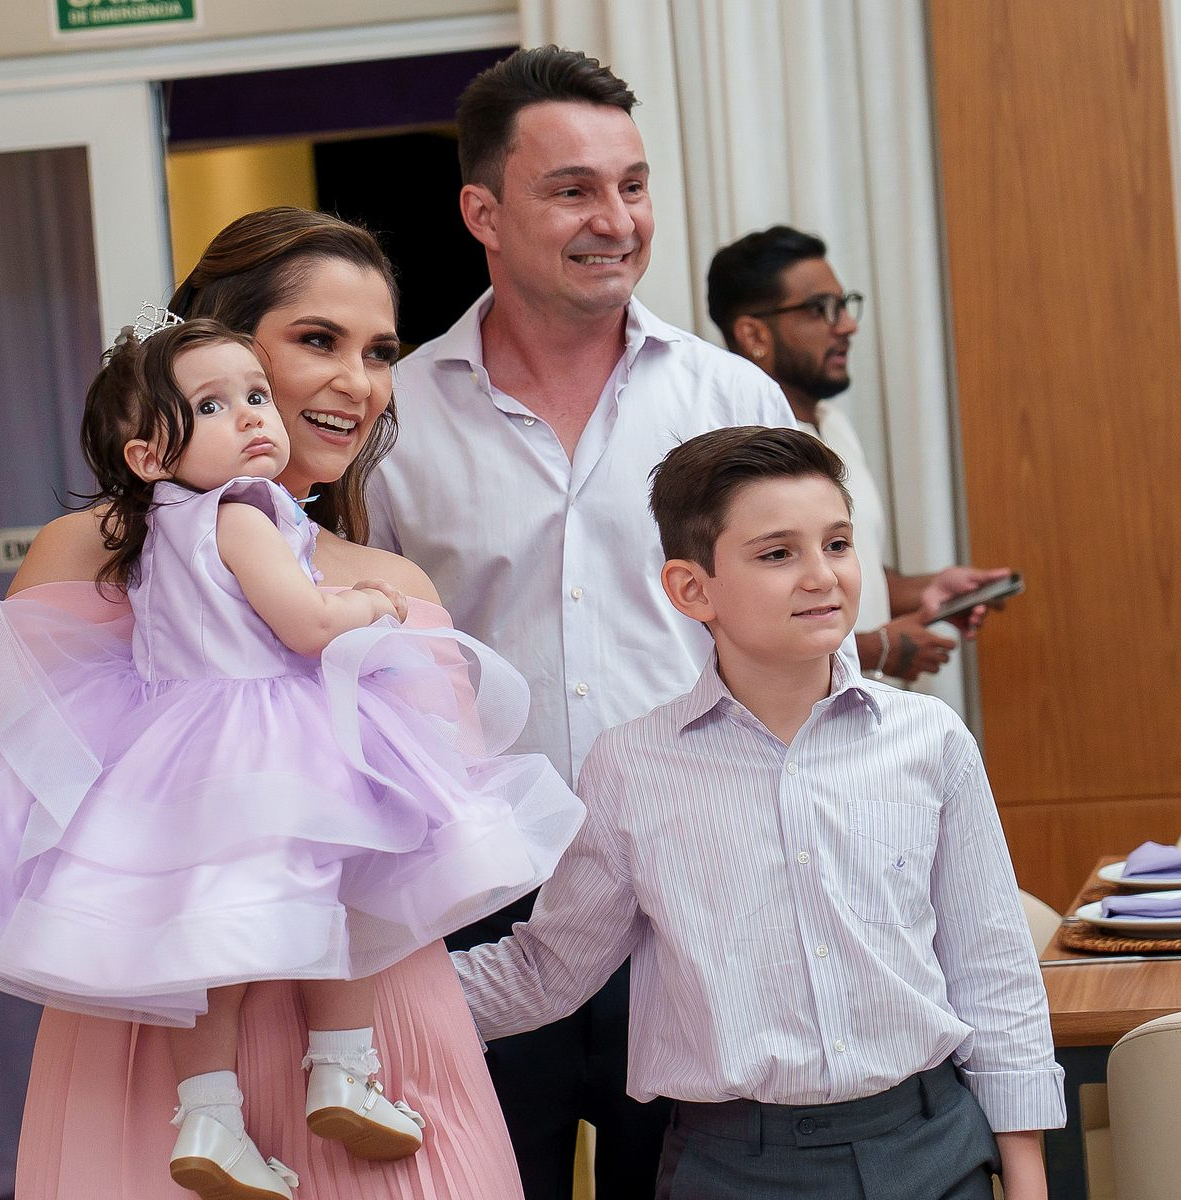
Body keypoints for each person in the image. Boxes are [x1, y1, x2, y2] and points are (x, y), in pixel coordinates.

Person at [0, 312, 586, 1198]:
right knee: (349, 881)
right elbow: (306, 623)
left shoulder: (158, 534)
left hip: (176, 751)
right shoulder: (244, 514)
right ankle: (343, 1068)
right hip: (270, 729)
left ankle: (209, 1114)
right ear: (146, 456)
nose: (251, 416)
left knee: (204, 950)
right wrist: (367, 604)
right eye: (214, 405)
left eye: (254, 396)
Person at [366, 46, 798, 1197]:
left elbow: (814, 651)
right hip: (480, 909)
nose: (617, 220)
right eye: (573, 190)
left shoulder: (730, 401)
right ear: (483, 213)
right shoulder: (393, 421)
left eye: (634, 185)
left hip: (699, 898)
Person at [456, 426, 1066, 1199]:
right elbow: (547, 970)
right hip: (731, 1168)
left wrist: (1026, 1174)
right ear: (692, 590)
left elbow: (993, 971)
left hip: (933, 1148)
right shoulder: (632, 767)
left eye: (837, 544)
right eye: (778, 554)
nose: (822, 576)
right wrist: (363, 998)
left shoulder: (931, 740)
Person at [706, 225, 1013, 683]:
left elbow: (846, 570)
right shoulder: (735, 453)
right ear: (753, 334)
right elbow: (735, 617)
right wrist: (874, 650)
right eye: (820, 309)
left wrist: (931, 590)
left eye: (844, 304)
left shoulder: (833, 425)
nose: (847, 325)